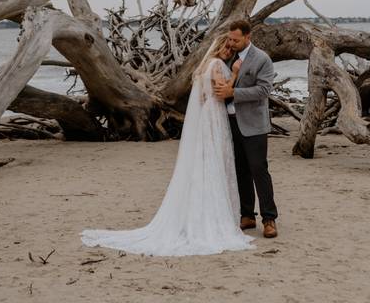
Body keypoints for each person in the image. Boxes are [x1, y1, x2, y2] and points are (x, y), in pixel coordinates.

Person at [80, 35, 255, 256]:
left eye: (231, 49)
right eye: (227, 48)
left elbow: (202, 97)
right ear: (218, 47)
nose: (229, 52)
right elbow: (221, 91)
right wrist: (237, 73)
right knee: (214, 161)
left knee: (207, 162)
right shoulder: (218, 64)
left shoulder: (203, 67)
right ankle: (215, 217)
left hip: (207, 116)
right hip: (214, 115)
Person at [212, 19, 279, 239]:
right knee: (240, 170)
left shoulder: (262, 59)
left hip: (254, 125)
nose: (231, 43)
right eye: (230, 38)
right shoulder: (227, 55)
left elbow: (263, 90)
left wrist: (234, 94)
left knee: (259, 169)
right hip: (230, 122)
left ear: (248, 37)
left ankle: (269, 219)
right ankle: (247, 215)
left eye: (235, 39)